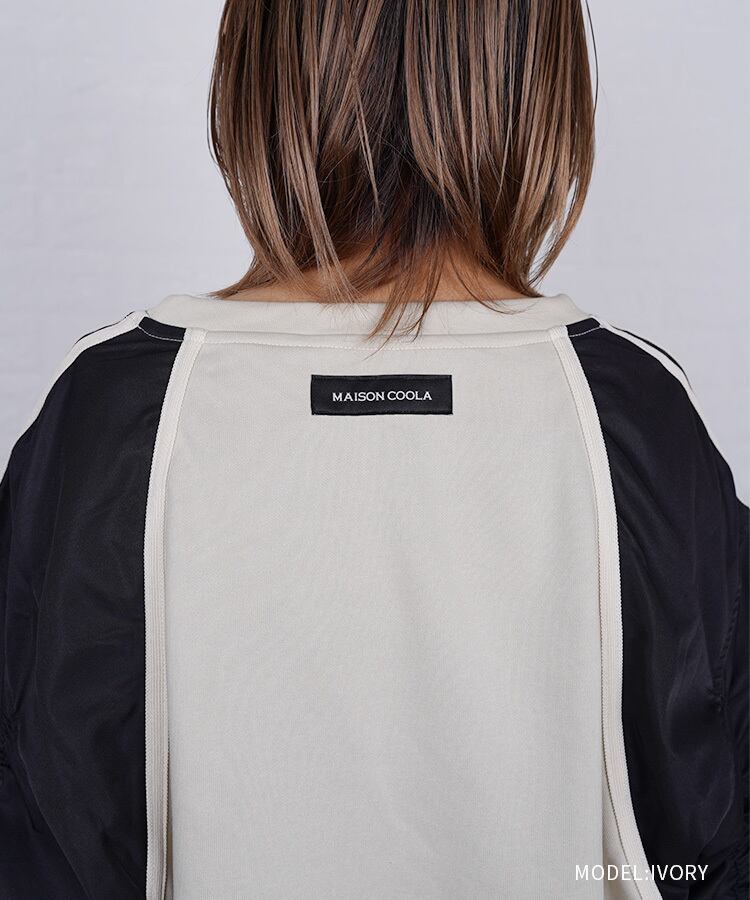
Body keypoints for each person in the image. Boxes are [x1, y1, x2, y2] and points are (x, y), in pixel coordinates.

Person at [1, 2, 746, 898]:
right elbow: (710, 841)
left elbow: (43, 838)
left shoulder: (114, 413)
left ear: (256, 74)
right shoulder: (634, 416)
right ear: (542, 83)